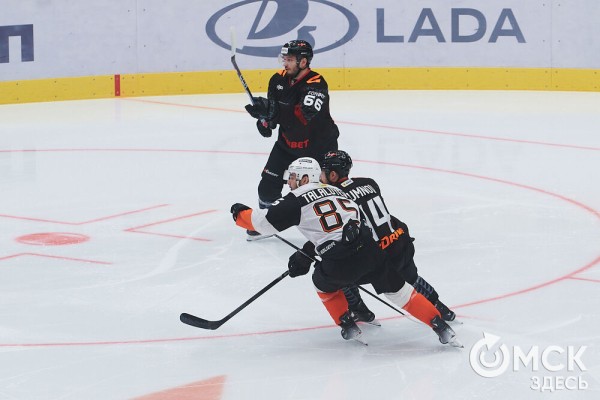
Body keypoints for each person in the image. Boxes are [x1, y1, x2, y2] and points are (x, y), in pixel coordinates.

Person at [230, 157, 460, 346]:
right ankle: (440, 326)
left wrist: (239, 213)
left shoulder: (295, 199)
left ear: (304, 178)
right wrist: (308, 253)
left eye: (292, 177)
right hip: (372, 251)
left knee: (323, 283)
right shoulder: (336, 191)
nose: (288, 182)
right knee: (401, 293)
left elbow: (261, 223)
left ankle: (348, 324)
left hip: (340, 261)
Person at [319, 150, 456, 321]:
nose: (320, 177)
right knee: (412, 278)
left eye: (322, 172)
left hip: (379, 256)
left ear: (332, 175)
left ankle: (358, 309)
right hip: (399, 242)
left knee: (335, 272)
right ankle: (440, 307)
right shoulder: (369, 183)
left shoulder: (333, 198)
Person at [243, 39, 339, 238]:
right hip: (287, 144)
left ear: (303, 62)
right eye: (284, 59)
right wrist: (265, 120)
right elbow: (273, 118)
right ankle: (268, 224)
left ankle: (340, 221)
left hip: (319, 146)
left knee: (326, 189)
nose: (285, 63)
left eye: (289, 60)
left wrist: (271, 110)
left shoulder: (316, 83)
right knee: (266, 189)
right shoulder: (277, 80)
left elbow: (302, 117)